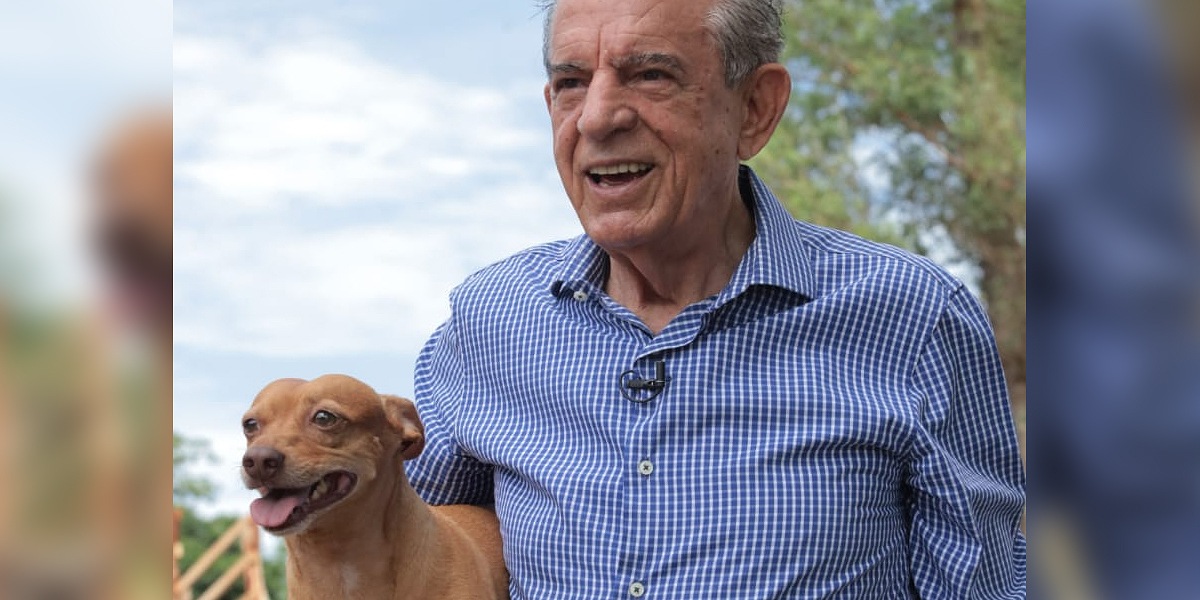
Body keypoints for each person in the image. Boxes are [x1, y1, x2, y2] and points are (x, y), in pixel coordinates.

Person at [407, 0, 1026, 597]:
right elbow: (390, 542)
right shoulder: (487, 321)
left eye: (650, 75)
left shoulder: (912, 317)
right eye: (571, 82)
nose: (596, 118)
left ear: (756, 108)